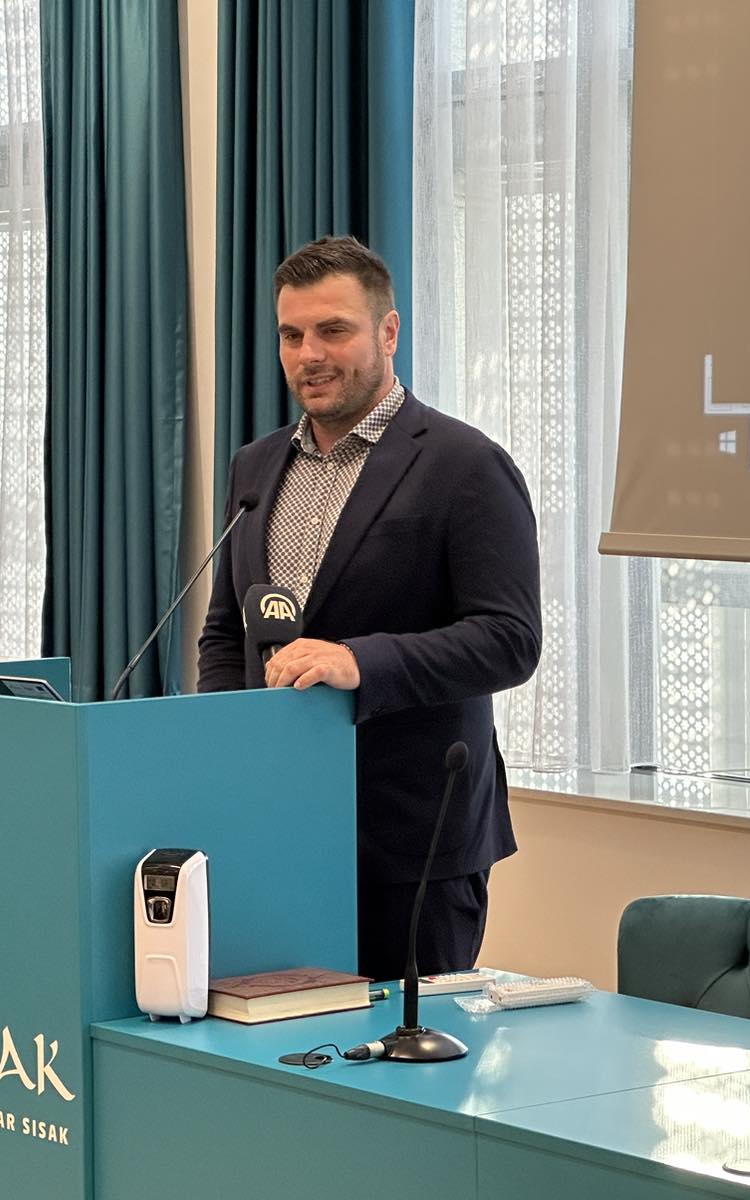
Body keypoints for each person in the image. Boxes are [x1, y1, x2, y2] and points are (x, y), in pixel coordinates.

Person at [197, 236, 542, 981]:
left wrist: (359, 660)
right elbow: (227, 633)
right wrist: (228, 746)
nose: (309, 355)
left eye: (334, 330)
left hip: (412, 842)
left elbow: (510, 639)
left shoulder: (465, 465)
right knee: (278, 1046)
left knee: (395, 1052)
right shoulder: (255, 466)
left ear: (388, 332)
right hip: (276, 828)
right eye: (291, 335)